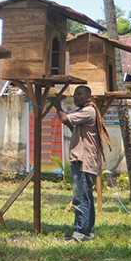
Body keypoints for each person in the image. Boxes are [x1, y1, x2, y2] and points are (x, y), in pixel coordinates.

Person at [54, 85, 101, 242]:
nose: (76, 97)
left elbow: (64, 118)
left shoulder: (89, 111)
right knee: (86, 197)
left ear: (89, 96)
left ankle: (80, 233)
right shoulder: (84, 112)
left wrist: (55, 104)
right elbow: (70, 124)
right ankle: (89, 233)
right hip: (86, 161)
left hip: (83, 161)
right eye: (74, 95)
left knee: (80, 198)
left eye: (80, 94)